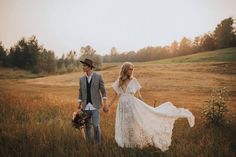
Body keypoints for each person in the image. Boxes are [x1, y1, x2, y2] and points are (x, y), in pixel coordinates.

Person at [107, 62, 195, 151]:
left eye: (132, 69)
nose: (131, 70)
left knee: (133, 124)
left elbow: (139, 95)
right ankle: (125, 142)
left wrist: (146, 106)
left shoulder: (134, 81)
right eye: (130, 68)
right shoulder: (119, 81)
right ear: (125, 69)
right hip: (122, 106)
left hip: (132, 105)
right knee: (124, 124)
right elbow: (115, 95)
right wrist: (108, 106)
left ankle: (132, 143)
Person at [78, 58, 108, 144]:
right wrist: (79, 105)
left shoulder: (98, 77)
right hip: (85, 107)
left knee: (95, 125)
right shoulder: (81, 79)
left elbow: (103, 91)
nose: (83, 67)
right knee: (87, 126)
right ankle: (88, 143)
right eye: (83, 65)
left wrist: (105, 103)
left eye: (84, 66)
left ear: (90, 67)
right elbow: (80, 92)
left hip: (96, 106)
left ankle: (97, 144)